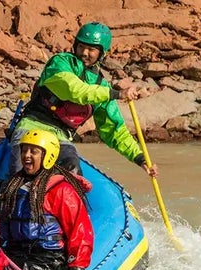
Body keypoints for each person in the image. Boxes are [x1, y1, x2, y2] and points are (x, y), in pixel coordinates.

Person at [9, 21, 157, 178]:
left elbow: (114, 130)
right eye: (81, 47)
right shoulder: (60, 63)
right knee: (19, 177)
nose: (84, 53)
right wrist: (115, 94)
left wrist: (140, 158)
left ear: (101, 53)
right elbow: (75, 90)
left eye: (91, 49)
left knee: (73, 174)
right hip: (31, 126)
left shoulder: (101, 86)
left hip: (60, 137)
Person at [0, 129, 94, 270]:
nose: (26, 155)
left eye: (33, 151)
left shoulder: (61, 190)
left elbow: (80, 231)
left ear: (48, 156)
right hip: (15, 254)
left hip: (48, 261)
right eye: (24, 150)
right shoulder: (13, 186)